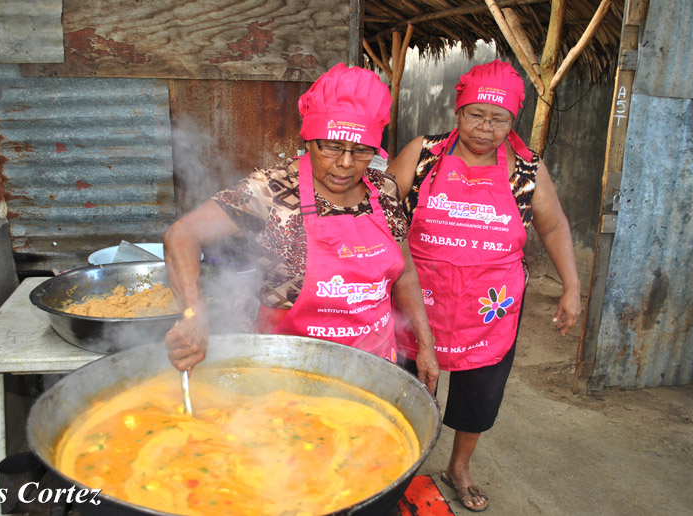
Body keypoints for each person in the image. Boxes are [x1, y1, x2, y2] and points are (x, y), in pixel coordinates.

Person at [163, 63, 440, 392]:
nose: (346, 163)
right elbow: (182, 235)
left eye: (361, 150)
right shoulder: (271, 190)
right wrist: (194, 315)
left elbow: (405, 272)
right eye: (332, 146)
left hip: (373, 371)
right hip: (288, 376)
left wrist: (425, 343)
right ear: (308, 138)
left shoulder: (386, 191)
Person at [388, 59, 582, 512]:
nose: (485, 127)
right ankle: (394, 464)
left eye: (499, 119)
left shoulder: (527, 171)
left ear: (513, 121)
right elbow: (383, 209)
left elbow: (553, 228)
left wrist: (572, 288)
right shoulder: (424, 153)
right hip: (421, 297)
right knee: (404, 386)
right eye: (476, 114)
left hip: (490, 307)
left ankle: (459, 467)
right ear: (457, 112)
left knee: (479, 393)